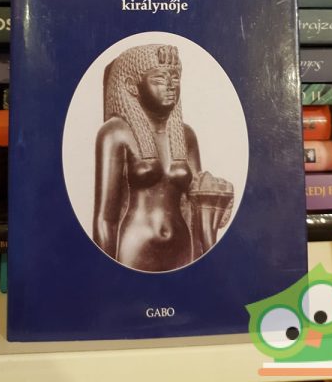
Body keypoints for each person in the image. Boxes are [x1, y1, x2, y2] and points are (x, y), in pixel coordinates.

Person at [93, 44, 233, 272]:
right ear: (132, 86)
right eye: (159, 79)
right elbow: (105, 218)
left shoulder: (186, 135)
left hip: (183, 246)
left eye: (175, 78)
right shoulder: (115, 133)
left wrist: (213, 194)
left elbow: (195, 204)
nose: (170, 86)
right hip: (134, 248)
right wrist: (105, 271)